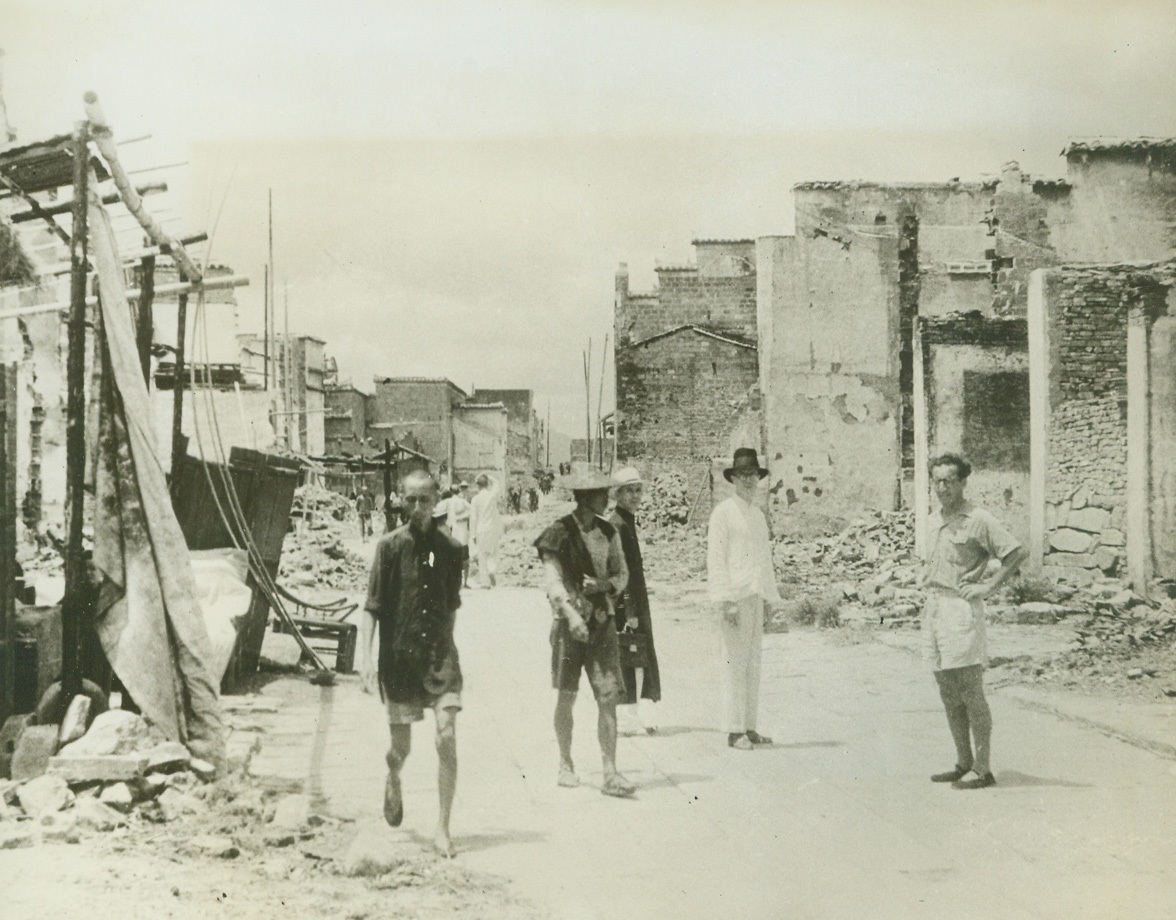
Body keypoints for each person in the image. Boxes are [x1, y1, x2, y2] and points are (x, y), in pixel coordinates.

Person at [360, 470, 464, 857]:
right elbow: (372, 608)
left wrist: (446, 651)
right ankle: (393, 775)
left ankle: (443, 828)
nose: (418, 507)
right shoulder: (389, 548)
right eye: (411, 499)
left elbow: (451, 607)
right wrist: (365, 659)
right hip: (399, 662)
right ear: (401, 501)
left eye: (425, 499)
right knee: (400, 750)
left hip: (439, 660)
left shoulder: (451, 549)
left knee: (446, 736)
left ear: (437, 500)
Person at [922, 453, 1027, 791]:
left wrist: (987, 586)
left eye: (950, 481)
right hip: (935, 609)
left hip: (961, 610)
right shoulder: (932, 520)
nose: (942, 487)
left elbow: (1016, 553)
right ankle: (963, 762)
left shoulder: (978, 519)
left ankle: (983, 769)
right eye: (937, 481)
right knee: (948, 691)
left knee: (970, 691)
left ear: (963, 482)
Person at [535, 469, 634, 797]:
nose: (607, 498)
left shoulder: (608, 532)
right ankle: (565, 763)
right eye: (601, 493)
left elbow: (622, 573)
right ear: (585, 497)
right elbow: (553, 582)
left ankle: (610, 771)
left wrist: (605, 585)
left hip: (602, 623)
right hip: (569, 626)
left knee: (608, 697)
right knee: (567, 695)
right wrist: (571, 614)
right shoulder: (558, 533)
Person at [707, 448, 782, 751]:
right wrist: (725, 600)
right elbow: (716, 559)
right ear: (733, 479)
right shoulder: (723, 513)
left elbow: (765, 560)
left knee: (753, 664)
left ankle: (749, 727)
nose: (749, 480)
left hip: (755, 594)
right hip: (734, 598)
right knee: (733, 664)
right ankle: (733, 730)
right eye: (743, 475)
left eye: (753, 475)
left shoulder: (758, 515)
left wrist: (769, 600)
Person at [608, 466, 661, 729]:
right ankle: (628, 719)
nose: (636, 496)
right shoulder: (618, 524)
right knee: (630, 657)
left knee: (638, 656)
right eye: (629, 491)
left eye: (638, 490)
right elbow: (621, 569)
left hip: (634, 600)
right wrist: (629, 610)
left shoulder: (626, 521)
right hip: (626, 603)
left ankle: (638, 715)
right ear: (617, 494)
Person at [469, 473, 504, 588]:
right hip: (493, 529)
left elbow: (473, 518)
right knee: (493, 553)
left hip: (480, 529)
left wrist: (473, 534)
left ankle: (485, 582)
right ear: (487, 484)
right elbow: (497, 484)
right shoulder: (492, 496)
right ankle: (492, 570)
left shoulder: (475, 499)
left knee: (482, 556)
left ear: (478, 485)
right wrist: (489, 477)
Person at [446, 481, 473, 588]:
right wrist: (463, 516)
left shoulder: (448, 502)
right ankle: (464, 582)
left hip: (453, 533)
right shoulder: (462, 501)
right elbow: (472, 510)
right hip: (462, 532)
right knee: (465, 559)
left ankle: (455, 582)